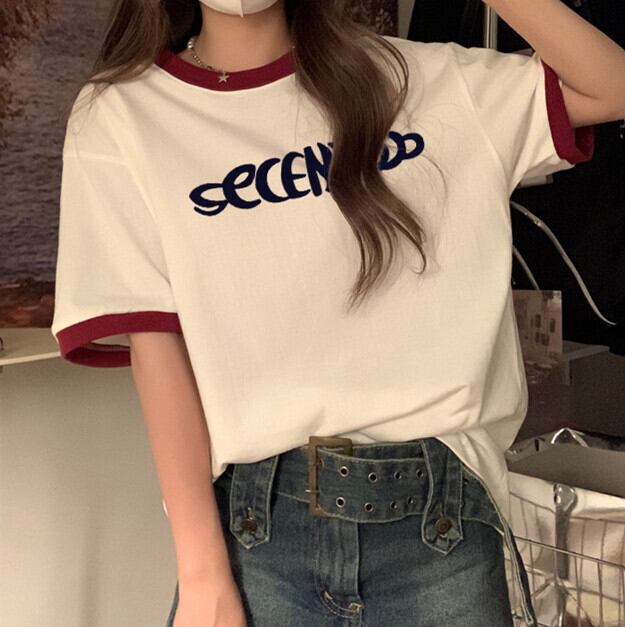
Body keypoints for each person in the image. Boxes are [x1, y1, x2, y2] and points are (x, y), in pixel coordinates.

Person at [50, 0, 625, 625]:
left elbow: (611, 84)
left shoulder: (427, 80)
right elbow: (158, 349)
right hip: (256, 535)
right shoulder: (122, 114)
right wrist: (200, 570)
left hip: (443, 529)